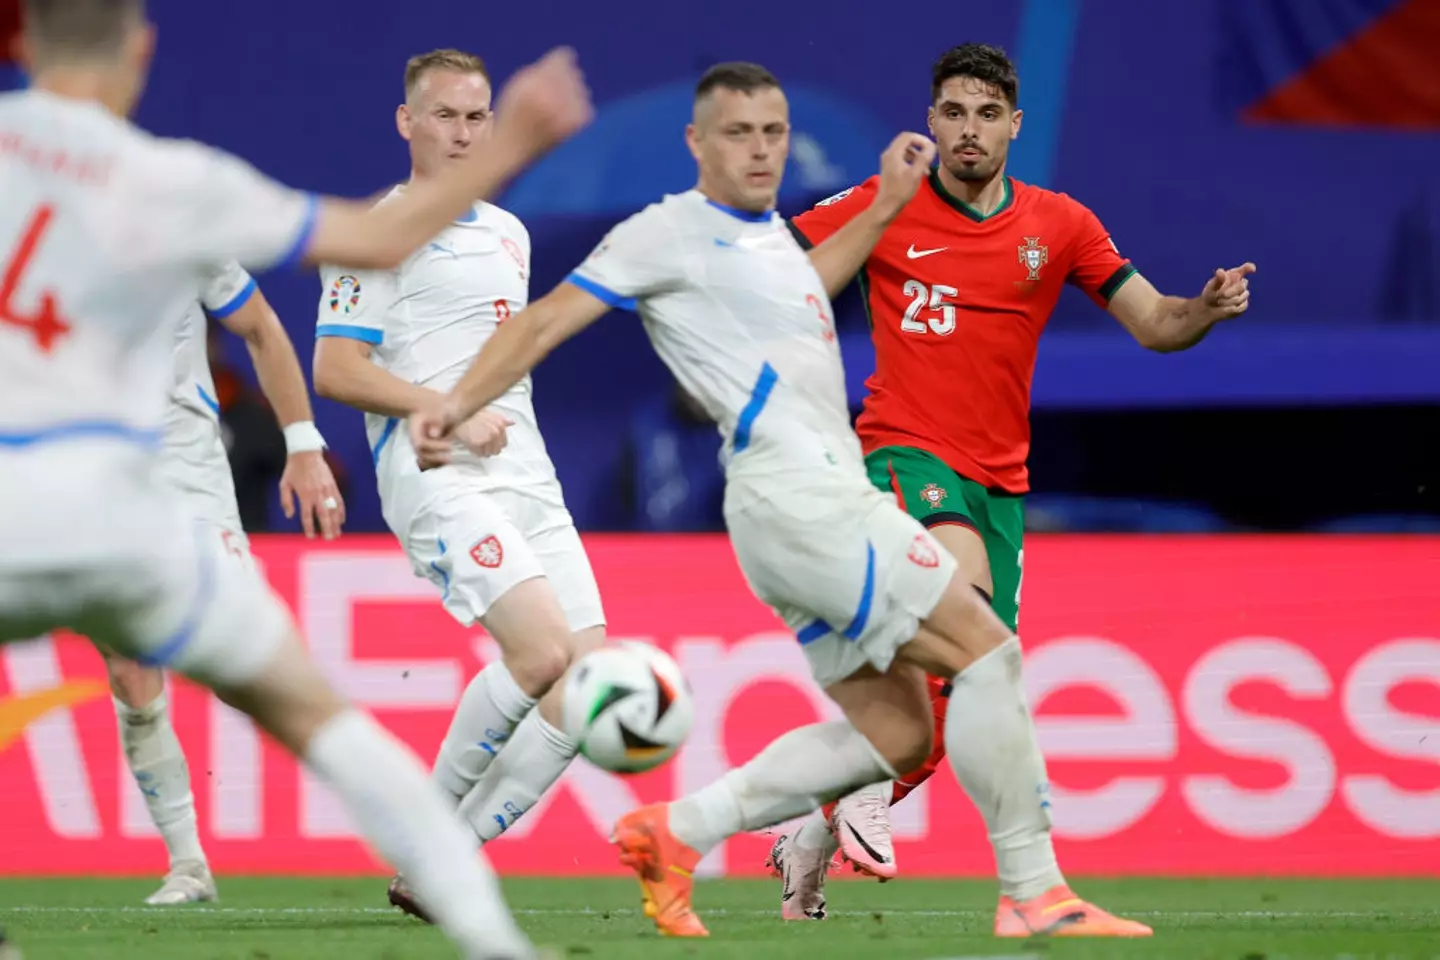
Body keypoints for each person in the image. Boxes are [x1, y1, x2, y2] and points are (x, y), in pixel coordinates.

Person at [406, 60, 1151, 940]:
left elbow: (805, 289)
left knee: (901, 737)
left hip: (797, 508)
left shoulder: (766, 241)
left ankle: (677, 833)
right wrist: (452, 405)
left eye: (773, 133)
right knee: (987, 653)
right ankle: (1034, 892)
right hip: (802, 498)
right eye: (738, 133)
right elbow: (541, 322)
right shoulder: (666, 233)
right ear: (697, 143)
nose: (760, 151)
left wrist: (882, 205)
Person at [0, 1, 591, 956]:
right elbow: (373, 241)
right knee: (314, 715)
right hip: (121, 517)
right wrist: (516, 138)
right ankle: (493, 941)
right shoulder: (171, 179)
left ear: (23, 45)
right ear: (141, 49)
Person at [767, 41, 1254, 922]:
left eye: (987, 115)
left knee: (966, 696)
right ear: (930, 120)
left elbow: (1155, 323)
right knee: (965, 612)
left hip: (998, 483)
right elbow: (778, 270)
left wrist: (1204, 310)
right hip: (904, 452)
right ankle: (983, 864)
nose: (970, 130)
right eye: (954, 112)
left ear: (1014, 125)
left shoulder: (1059, 224)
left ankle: (811, 834)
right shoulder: (888, 200)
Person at [312, 47, 607, 921]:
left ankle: (438, 862)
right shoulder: (377, 230)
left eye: (479, 116)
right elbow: (336, 369)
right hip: (436, 471)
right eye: (445, 115)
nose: (465, 133)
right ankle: (428, 841)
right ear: (407, 122)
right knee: (542, 654)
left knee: (587, 686)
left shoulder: (510, 233)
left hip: (526, 472)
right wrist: (446, 409)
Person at [104, 264, 344, 905]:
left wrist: (303, 445)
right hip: (98, 479)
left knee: (249, 668)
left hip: (188, 475)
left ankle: (394, 806)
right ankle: (188, 865)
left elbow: (260, 325)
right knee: (129, 668)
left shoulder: (185, 227)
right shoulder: (32, 237)